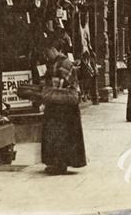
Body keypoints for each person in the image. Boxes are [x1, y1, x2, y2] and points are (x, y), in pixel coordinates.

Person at [41, 39, 87, 174]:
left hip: (61, 105)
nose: (46, 54)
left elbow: (57, 84)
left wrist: (45, 92)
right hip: (62, 104)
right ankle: (58, 162)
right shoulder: (58, 62)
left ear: (54, 49)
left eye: (47, 51)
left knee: (59, 134)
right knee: (62, 134)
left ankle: (59, 164)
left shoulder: (62, 63)